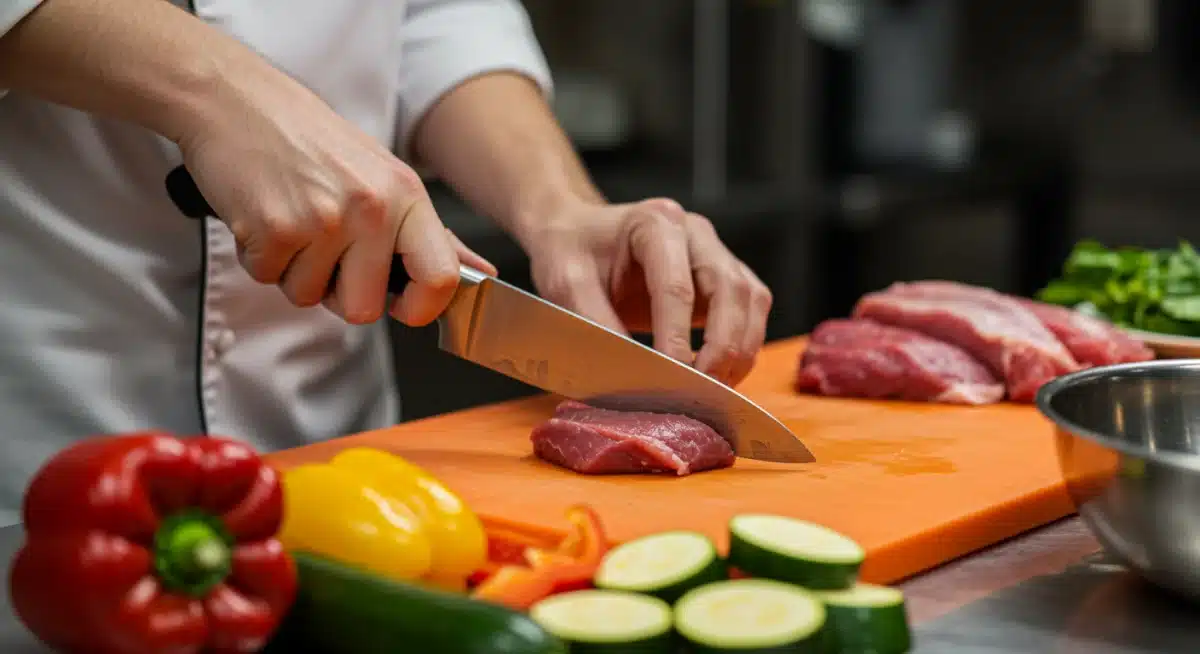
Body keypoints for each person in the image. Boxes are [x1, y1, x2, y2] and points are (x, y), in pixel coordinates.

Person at [0, 0, 773, 526]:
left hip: (345, 483)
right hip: (37, 469)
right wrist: (220, 93)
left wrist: (558, 209)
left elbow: (436, 14)